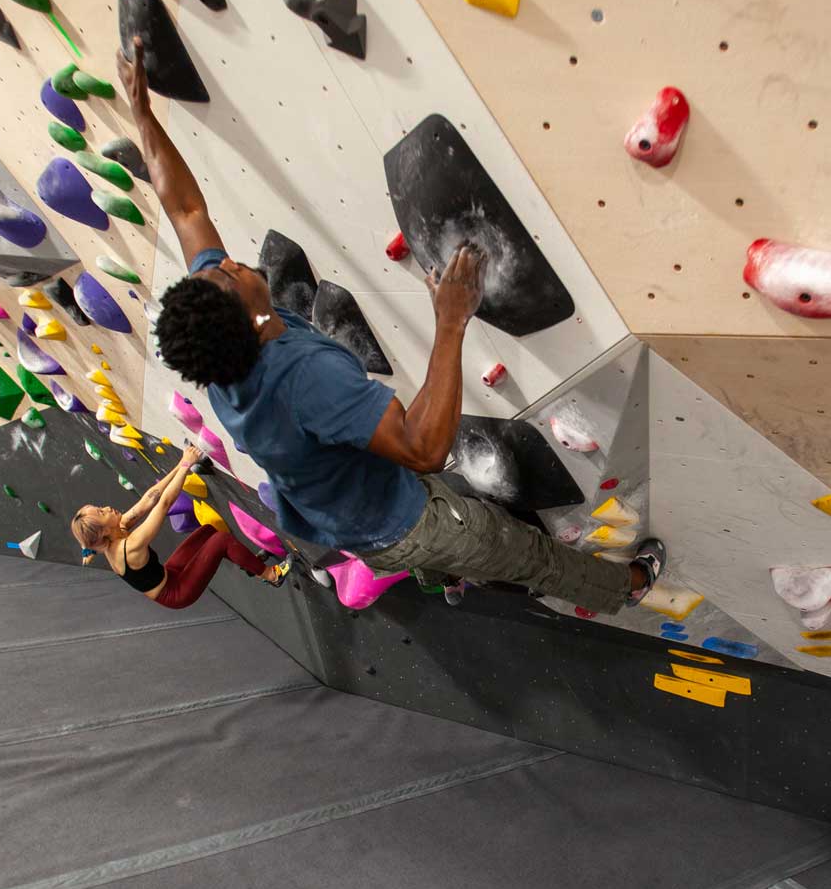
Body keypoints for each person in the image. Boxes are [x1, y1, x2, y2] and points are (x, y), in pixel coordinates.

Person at [115, 34, 665, 614]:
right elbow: (424, 449)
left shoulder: (223, 340)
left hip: (342, 510)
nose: (223, 260)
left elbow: (185, 210)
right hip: (400, 525)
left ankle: (453, 573)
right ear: (252, 321)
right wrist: (451, 320)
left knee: (463, 547)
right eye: (226, 272)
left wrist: (144, 115)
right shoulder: (303, 381)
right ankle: (626, 587)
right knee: (525, 553)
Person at [72, 444, 288, 608]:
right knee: (222, 541)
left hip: (169, 574)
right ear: (104, 532)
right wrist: (186, 464)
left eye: (100, 507)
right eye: (102, 512)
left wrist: (180, 465)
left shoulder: (115, 530)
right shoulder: (130, 547)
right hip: (176, 592)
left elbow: (149, 498)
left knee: (209, 532)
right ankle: (271, 575)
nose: (108, 507)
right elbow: (163, 503)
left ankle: (250, 564)